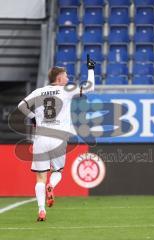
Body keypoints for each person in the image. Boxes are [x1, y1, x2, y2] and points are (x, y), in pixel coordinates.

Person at [18, 54, 95, 221]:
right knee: (58, 171)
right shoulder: (66, 90)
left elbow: (21, 105)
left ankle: (41, 210)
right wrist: (90, 69)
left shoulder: (39, 91)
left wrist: (33, 118)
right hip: (59, 137)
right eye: (66, 75)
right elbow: (90, 88)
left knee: (39, 176)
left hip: (41, 139)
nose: (68, 78)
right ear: (59, 78)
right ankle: (51, 186)